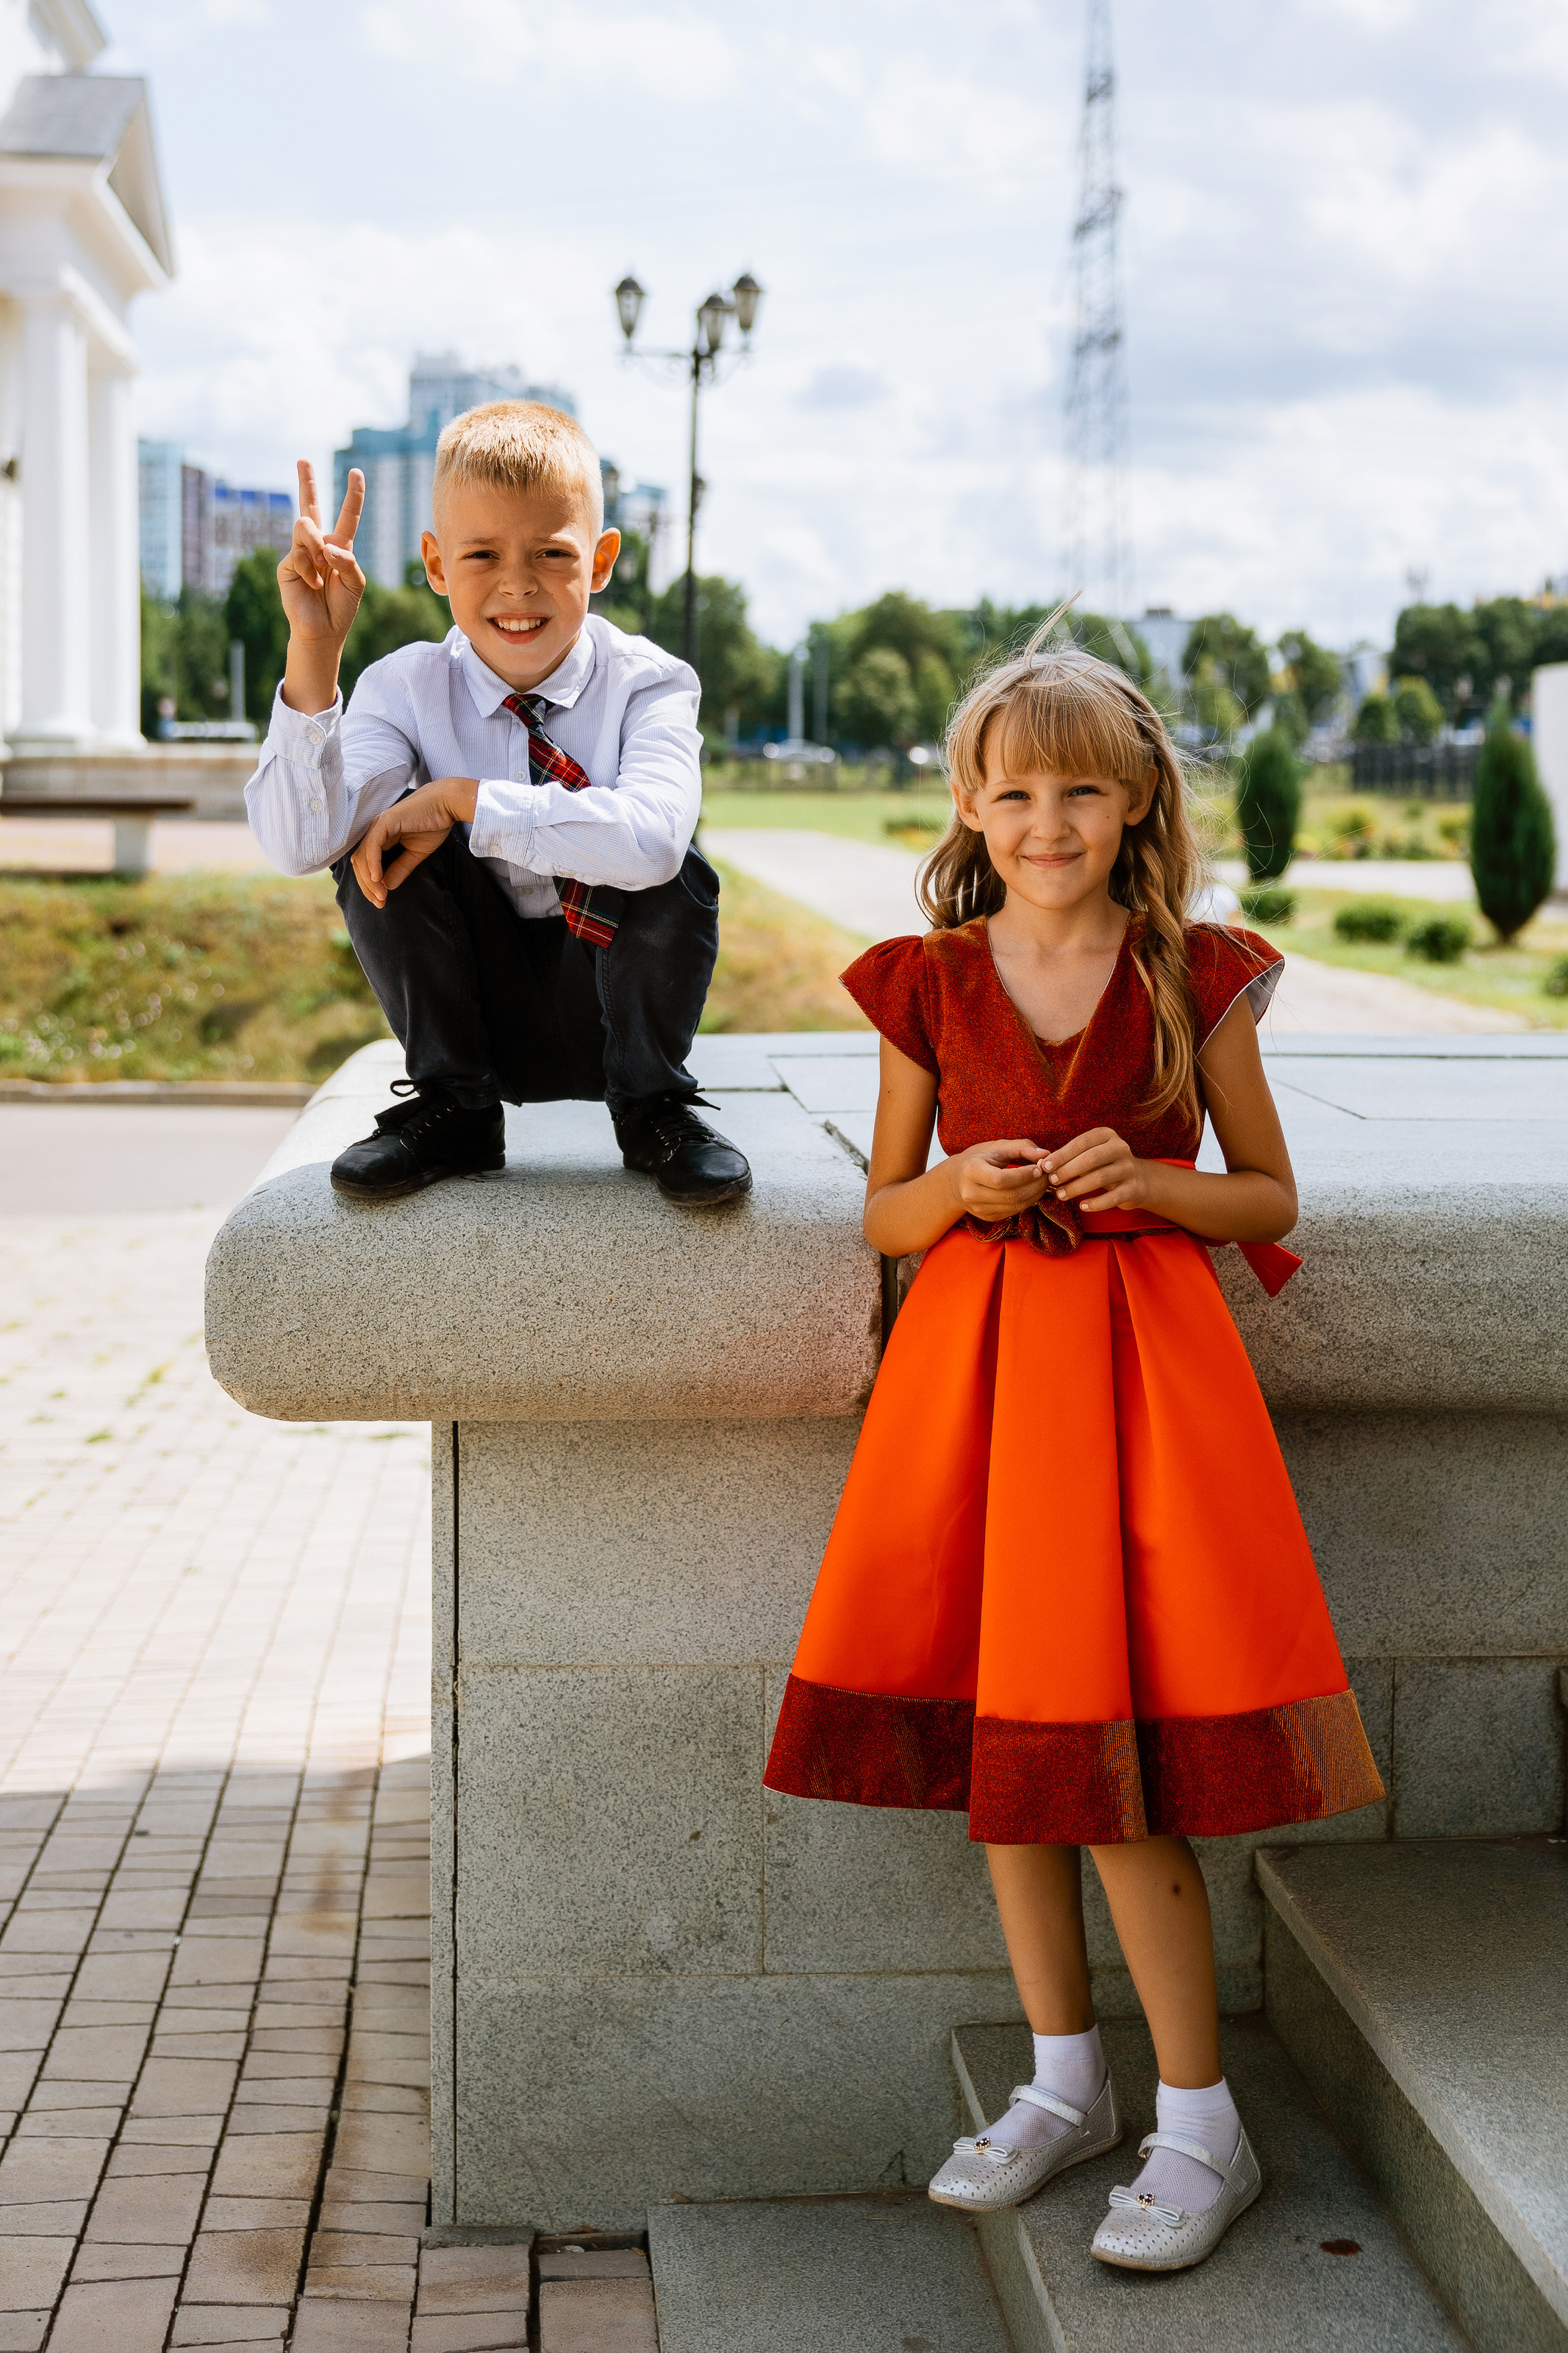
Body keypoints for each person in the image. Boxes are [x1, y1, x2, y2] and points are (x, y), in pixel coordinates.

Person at [763, 626, 1381, 2274]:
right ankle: (1063, 2085)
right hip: (973, 1402)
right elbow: (884, 1213)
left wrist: (1156, 1184)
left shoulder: (1193, 974)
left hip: (1139, 1403)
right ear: (969, 805)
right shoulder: (924, 983)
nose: (1047, 823)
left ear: (1136, 806)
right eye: (1016, 792)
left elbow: (1265, 1194)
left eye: (1083, 794)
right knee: (1010, 1761)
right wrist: (954, 1191)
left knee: (1116, 1778)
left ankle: (1202, 2124)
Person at [245, 402, 750, 1208]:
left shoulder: (651, 682)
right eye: (482, 554)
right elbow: (299, 844)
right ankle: (457, 1110)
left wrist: (462, 799)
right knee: (378, 842)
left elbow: (653, 841)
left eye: (552, 552)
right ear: (436, 564)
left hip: (616, 999)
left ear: (601, 560)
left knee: (672, 860)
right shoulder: (403, 686)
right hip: (474, 1001)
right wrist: (315, 649)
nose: (517, 583)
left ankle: (655, 1111)